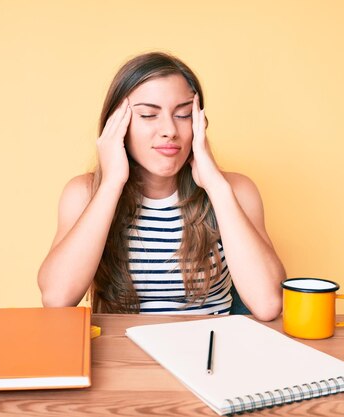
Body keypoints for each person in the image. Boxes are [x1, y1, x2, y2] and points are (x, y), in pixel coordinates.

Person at [38, 52, 286, 321]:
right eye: (148, 115)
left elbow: (268, 303)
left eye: (182, 115)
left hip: (211, 353)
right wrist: (111, 183)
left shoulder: (236, 190)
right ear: (116, 125)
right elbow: (57, 299)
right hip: (122, 356)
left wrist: (215, 185)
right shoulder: (84, 193)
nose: (169, 129)